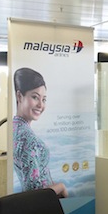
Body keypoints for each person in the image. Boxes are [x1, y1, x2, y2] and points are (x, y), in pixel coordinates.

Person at [12, 67, 68, 197]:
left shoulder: (14, 127)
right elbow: (34, 192)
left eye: (44, 99)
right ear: (19, 96)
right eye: (35, 97)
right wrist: (61, 187)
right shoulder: (27, 138)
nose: (41, 105)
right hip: (42, 204)